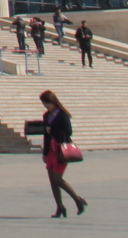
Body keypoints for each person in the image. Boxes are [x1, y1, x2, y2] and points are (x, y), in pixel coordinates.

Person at [39, 90, 87, 218]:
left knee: (57, 178)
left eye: (46, 103)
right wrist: (45, 153)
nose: (45, 106)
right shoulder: (46, 115)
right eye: (44, 104)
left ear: (52, 101)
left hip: (61, 150)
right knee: (52, 180)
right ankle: (60, 207)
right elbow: (46, 135)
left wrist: (52, 130)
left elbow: (68, 132)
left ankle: (78, 200)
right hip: (51, 150)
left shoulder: (62, 115)